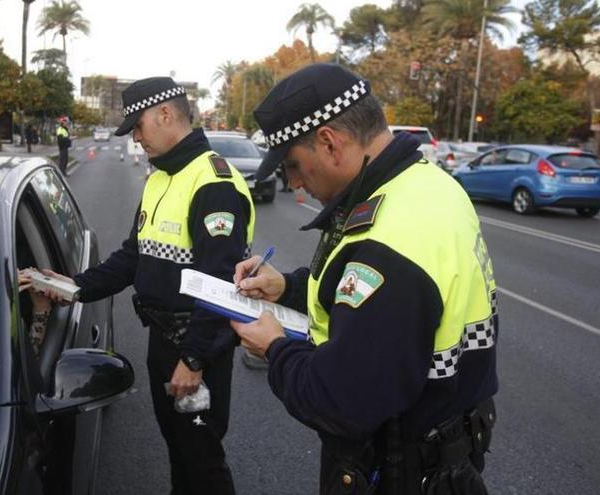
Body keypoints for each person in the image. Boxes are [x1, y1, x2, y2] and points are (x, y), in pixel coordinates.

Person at [230, 64, 498, 494]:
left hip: (400, 470)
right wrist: (289, 287)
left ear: (330, 142)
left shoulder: (391, 238)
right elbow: (371, 302)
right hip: (444, 450)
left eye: (294, 166)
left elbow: (341, 402)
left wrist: (274, 348)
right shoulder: (427, 184)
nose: (296, 185)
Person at [24, 77, 255, 495]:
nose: (135, 136)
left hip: (195, 348)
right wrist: (74, 286)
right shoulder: (161, 178)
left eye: (138, 125)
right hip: (164, 343)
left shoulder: (213, 185)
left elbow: (221, 285)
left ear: (165, 114)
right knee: (179, 446)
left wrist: (194, 358)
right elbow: (135, 256)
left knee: (202, 457)